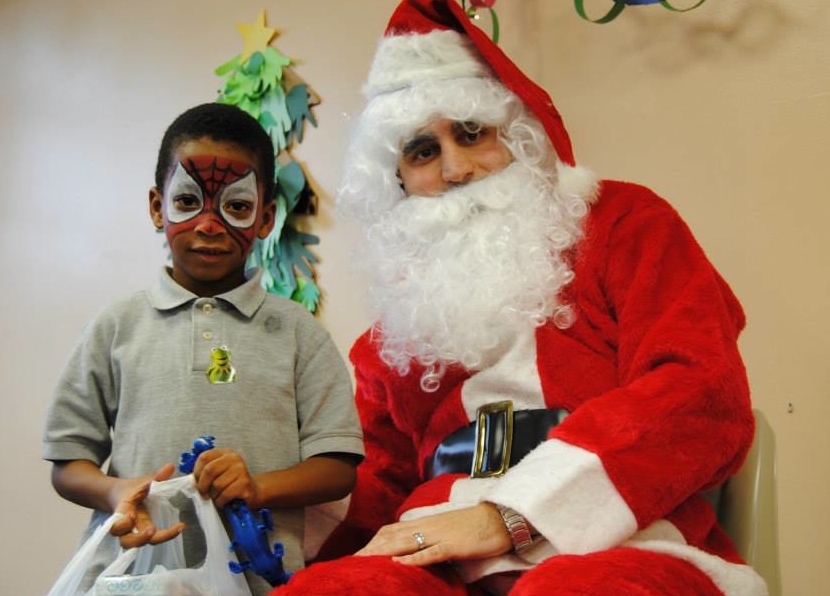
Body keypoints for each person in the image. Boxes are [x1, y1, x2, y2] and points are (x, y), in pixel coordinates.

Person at [270, 1, 768, 595]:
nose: (456, 170)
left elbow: (700, 390)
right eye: (423, 151)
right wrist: (247, 515)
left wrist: (513, 515)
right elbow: (378, 482)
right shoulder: (397, 328)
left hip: (624, 540)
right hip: (438, 555)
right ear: (397, 177)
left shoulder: (625, 225)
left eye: (472, 133)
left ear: (520, 134)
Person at [42, 102, 365, 596]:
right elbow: (68, 461)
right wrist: (114, 490)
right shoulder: (115, 327)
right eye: (188, 202)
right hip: (132, 577)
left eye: (236, 206)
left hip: (263, 581)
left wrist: (256, 487)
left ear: (265, 218)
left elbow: (338, 468)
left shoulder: (301, 334)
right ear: (157, 207)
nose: (210, 225)